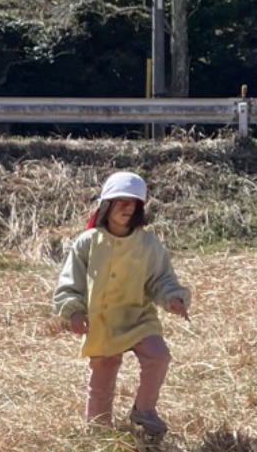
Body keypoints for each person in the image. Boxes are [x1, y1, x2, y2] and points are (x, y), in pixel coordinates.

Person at [51, 171, 190, 438]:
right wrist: (74, 310)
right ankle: (98, 431)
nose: (127, 208)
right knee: (102, 379)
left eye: (134, 203)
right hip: (101, 321)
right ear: (106, 204)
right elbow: (71, 280)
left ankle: (144, 410)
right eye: (121, 201)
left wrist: (173, 298)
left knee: (159, 356)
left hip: (139, 317)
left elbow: (161, 278)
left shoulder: (148, 244)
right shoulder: (88, 242)